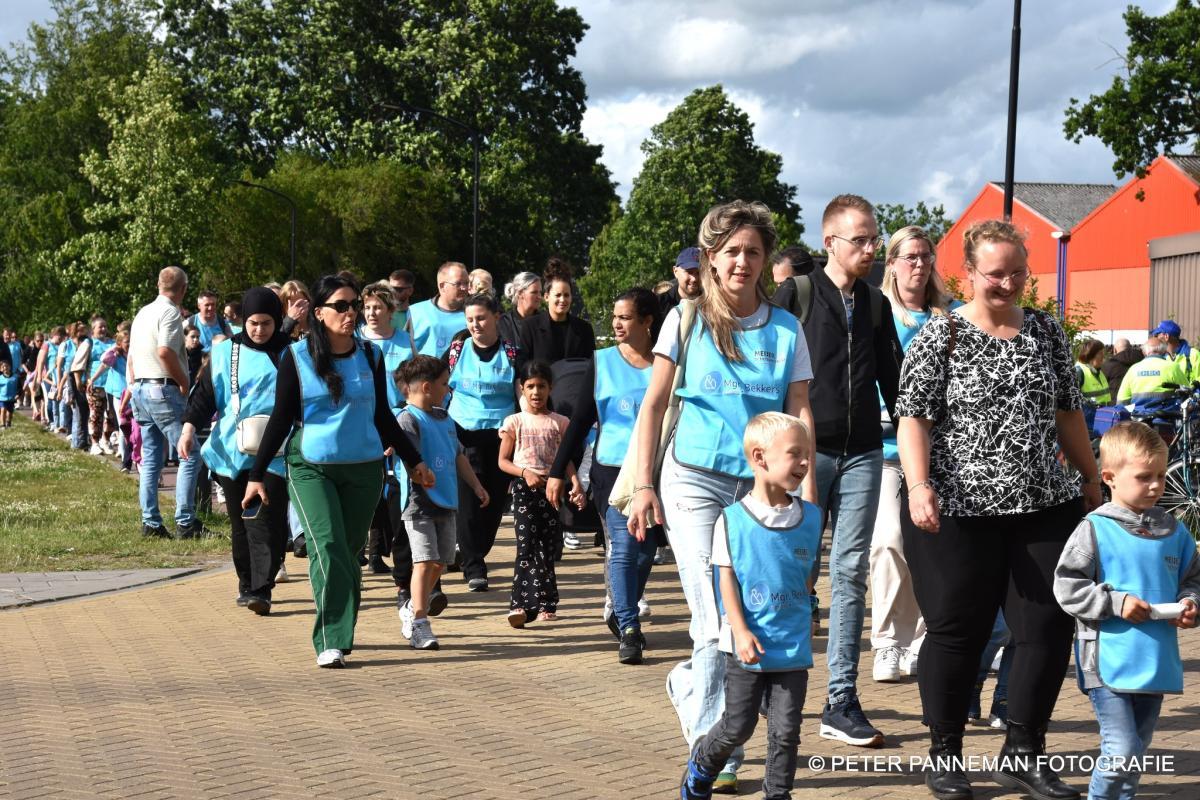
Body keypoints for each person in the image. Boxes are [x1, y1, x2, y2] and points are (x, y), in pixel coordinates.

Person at [897, 219, 1101, 800]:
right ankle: (945, 754)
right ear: (968, 273)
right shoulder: (941, 336)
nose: (1008, 283)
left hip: (1044, 504)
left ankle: (1024, 752)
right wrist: (918, 485)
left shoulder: (1046, 331)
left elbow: (1068, 412)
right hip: (956, 510)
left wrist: (1090, 477)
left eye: (1017, 272)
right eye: (994, 274)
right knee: (956, 630)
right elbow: (913, 418)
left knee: (1046, 627)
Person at [628, 200, 815, 795]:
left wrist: (806, 496)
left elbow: (800, 412)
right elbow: (653, 405)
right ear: (710, 258)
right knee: (713, 616)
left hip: (760, 488)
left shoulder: (786, 330)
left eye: (753, 251)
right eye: (731, 251)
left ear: (766, 260)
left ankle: (690, 686)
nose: (742, 261)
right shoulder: (685, 320)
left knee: (749, 613)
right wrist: (643, 486)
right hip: (694, 479)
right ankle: (717, 745)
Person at [242, 275, 435, 669]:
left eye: (354, 305)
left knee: (346, 554)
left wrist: (413, 460)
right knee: (327, 546)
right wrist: (256, 474)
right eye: (341, 306)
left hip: (364, 468)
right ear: (319, 313)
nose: (351, 313)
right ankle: (331, 639)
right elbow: (280, 419)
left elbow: (383, 416)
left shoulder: (371, 355)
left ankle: (341, 627)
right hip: (311, 467)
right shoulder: (296, 357)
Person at [774, 194, 903, 748]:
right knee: (792, 569)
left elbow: (896, 382)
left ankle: (841, 700)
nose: (871, 249)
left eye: (875, 239)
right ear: (830, 242)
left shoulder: (875, 303)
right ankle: (774, 683)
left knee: (850, 572)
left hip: (864, 453)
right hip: (803, 454)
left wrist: (925, 444)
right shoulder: (797, 294)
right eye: (861, 239)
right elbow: (772, 371)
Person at [1054, 421, 1199, 800]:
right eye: (1143, 477)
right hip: (1107, 661)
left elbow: (1193, 580)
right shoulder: (1094, 529)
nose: (1155, 486)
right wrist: (1117, 602)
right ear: (1109, 478)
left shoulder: (1175, 531)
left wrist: (1190, 603)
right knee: (1122, 749)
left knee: (1136, 749)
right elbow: (1067, 586)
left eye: (1160, 476)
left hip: (1155, 660)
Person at [680, 412, 819, 800]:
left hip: (791, 644)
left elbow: (807, 572)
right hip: (745, 645)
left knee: (786, 731)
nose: (805, 462)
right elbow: (725, 578)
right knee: (738, 726)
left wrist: (811, 608)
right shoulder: (732, 520)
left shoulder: (811, 516)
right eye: (795, 453)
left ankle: (778, 794)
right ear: (760, 457)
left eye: (808, 454)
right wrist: (739, 630)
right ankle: (702, 766)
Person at [547, 288, 661, 664]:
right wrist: (557, 472)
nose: (616, 324)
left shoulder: (667, 363)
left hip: (656, 471)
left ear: (647, 321)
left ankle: (621, 607)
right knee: (624, 547)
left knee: (646, 552)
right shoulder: (603, 361)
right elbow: (580, 420)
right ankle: (629, 627)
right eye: (614, 316)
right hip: (612, 471)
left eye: (625, 317)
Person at [870, 226, 958, 685]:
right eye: (910, 257)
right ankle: (888, 641)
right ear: (892, 263)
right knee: (888, 541)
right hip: (887, 449)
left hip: (941, 451)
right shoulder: (879, 313)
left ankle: (922, 640)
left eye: (926, 256)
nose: (919, 265)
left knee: (930, 546)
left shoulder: (951, 316)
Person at [179, 288, 292, 615]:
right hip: (232, 451)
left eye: (267, 323)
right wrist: (188, 428)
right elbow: (205, 395)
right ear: (244, 321)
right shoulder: (226, 352)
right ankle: (247, 583)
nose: (259, 330)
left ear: (277, 321)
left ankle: (262, 589)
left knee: (267, 520)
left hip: (277, 452)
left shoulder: (292, 352)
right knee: (240, 523)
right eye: (253, 323)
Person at [394, 355, 490, 651]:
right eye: (445, 384)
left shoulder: (445, 419)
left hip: (447, 503)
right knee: (423, 562)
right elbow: (407, 457)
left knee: (441, 562)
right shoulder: (407, 419)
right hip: (419, 504)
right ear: (427, 387)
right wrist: (419, 474)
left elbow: (458, 455)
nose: (448, 390)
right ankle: (419, 623)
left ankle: (411, 605)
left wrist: (476, 485)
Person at [443, 293, 522, 592]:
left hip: (501, 438)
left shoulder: (513, 354)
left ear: (496, 317)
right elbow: (438, 385)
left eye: (481, 318)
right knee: (469, 502)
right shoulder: (456, 351)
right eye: (470, 319)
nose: (475, 325)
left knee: (494, 504)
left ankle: (473, 550)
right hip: (463, 435)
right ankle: (474, 565)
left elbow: (523, 395)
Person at [497, 360, 583, 628]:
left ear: (550, 388)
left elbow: (566, 460)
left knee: (548, 548)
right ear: (522, 389)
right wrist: (525, 473)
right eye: (530, 386)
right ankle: (519, 604)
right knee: (526, 546)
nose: (536, 392)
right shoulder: (514, 421)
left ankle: (547, 604)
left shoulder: (561, 422)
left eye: (541, 386)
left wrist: (576, 483)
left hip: (552, 489)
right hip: (524, 490)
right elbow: (503, 461)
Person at [129, 268, 207, 539]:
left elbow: (132, 357)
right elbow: (164, 351)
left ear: (158, 284)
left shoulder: (143, 313)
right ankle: (186, 522)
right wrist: (184, 381)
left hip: (140, 388)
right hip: (162, 388)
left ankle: (150, 522)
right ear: (183, 288)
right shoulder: (171, 313)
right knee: (190, 452)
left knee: (151, 457)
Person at [358, 281, 416, 574]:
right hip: (362, 420)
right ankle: (364, 549)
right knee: (367, 486)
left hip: (395, 420)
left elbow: (411, 383)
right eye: (367, 307)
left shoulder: (404, 342)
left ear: (390, 311)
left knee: (391, 488)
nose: (371, 313)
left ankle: (384, 549)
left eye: (378, 307)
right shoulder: (355, 339)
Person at [517, 258, 596, 364]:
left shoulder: (584, 329)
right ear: (546, 297)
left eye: (566, 295)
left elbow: (592, 366)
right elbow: (523, 365)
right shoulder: (530, 327)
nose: (562, 300)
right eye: (558, 295)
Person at [1115, 339, 1188, 418]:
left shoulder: (1133, 369)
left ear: (1144, 352)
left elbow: (1122, 401)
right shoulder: (1173, 368)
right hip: (1166, 418)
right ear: (1164, 351)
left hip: (1139, 419)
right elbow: (1187, 393)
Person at [410, 261, 469, 357]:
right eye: (458, 284)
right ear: (442, 286)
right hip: (427, 366)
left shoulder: (476, 314)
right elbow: (404, 350)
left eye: (466, 283)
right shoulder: (415, 312)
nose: (464, 288)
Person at [85, 317, 117, 456]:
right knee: (96, 414)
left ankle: (106, 439)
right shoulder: (90, 343)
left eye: (105, 326)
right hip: (95, 384)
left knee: (111, 414)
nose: (103, 329)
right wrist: (85, 380)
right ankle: (95, 443)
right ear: (93, 329)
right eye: (100, 327)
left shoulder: (113, 343)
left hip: (111, 384)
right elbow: (82, 362)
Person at [498, 271, 543, 349]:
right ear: (520, 293)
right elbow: (510, 353)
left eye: (540, 292)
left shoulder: (544, 321)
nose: (539, 296)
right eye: (534, 292)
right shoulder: (505, 322)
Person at [657, 246, 704, 315]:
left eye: (699, 273)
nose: (694, 278)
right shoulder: (660, 305)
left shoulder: (713, 304)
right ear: (675, 271)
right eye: (689, 272)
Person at [1102, 338, 1143, 404]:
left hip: (1115, 404)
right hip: (1138, 403)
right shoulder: (1142, 362)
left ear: (1114, 350)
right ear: (1131, 348)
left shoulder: (1108, 366)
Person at [388, 269, 416, 333]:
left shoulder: (417, 316)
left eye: (397, 289)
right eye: (390, 288)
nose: (393, 292)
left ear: (410, 291)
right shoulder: (382, 314)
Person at [0, 360, 17, 427]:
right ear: (1, 369)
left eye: (6, 366)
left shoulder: (15, 377)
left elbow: (19, 387)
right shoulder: (0, 378)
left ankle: (8, 422)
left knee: (9, 412)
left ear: (10, 367)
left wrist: (18, 394)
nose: (5, 368)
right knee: (3, 410)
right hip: (2, 398)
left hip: (11, 398)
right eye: (3, 366)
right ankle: (2, 425)